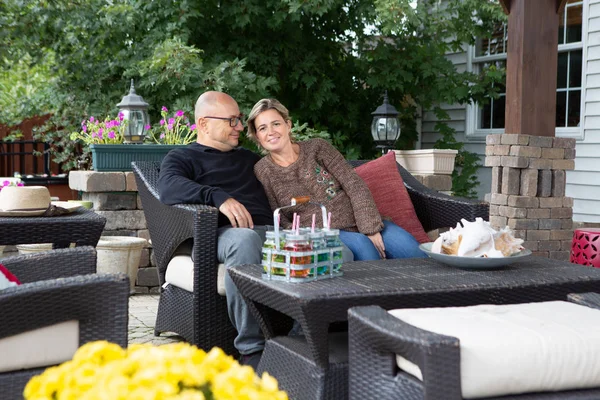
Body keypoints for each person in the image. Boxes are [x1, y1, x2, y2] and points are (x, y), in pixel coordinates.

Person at [157, 91, 272, 369]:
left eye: (240, 120)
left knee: (337, 248)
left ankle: (299, 339)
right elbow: (168, 188)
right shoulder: (182, 157)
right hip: (219, 238)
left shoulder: (250, 159)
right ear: (204, 124)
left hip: (269, 231)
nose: (240, 127)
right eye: (232, 120)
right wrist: (217, 196)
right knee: (244, 241)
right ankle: (251, 350)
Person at [247, 98, 426, 261]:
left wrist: (370, 228)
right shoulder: (263, 170)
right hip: (322, 234)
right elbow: (277, 215)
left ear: (288, 124)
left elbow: (354, 184)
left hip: (359, 220)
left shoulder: (317, 148)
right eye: (262, 128)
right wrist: (303, 239)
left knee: (413, 252)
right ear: (257, 136)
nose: (271, 132)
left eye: (276, 124)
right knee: (367, 253)